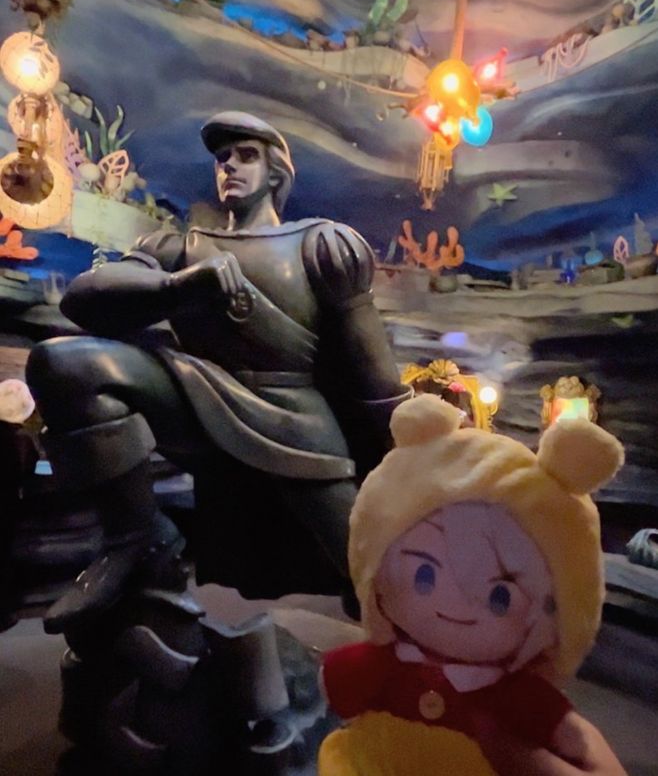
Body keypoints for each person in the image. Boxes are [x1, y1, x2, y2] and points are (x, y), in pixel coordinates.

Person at [26, 111, 408, 634]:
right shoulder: (181, 249)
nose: (229, 166)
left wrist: (406, 453)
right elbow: (83, 300)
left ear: (276, 173)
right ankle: (136, 539)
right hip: (200, 398)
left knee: (378, 582)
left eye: (245, 156)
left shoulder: (321, 244)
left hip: (297, 424)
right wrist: (176, 288)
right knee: (65, 365)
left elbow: (373, 372)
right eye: (222, 158)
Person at [318, 393, 627, 776]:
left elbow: (568, 734)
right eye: (425, 576)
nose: (454, 607)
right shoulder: (387, 666)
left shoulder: (514, 695)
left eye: (500, 597)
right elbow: (341, 679)